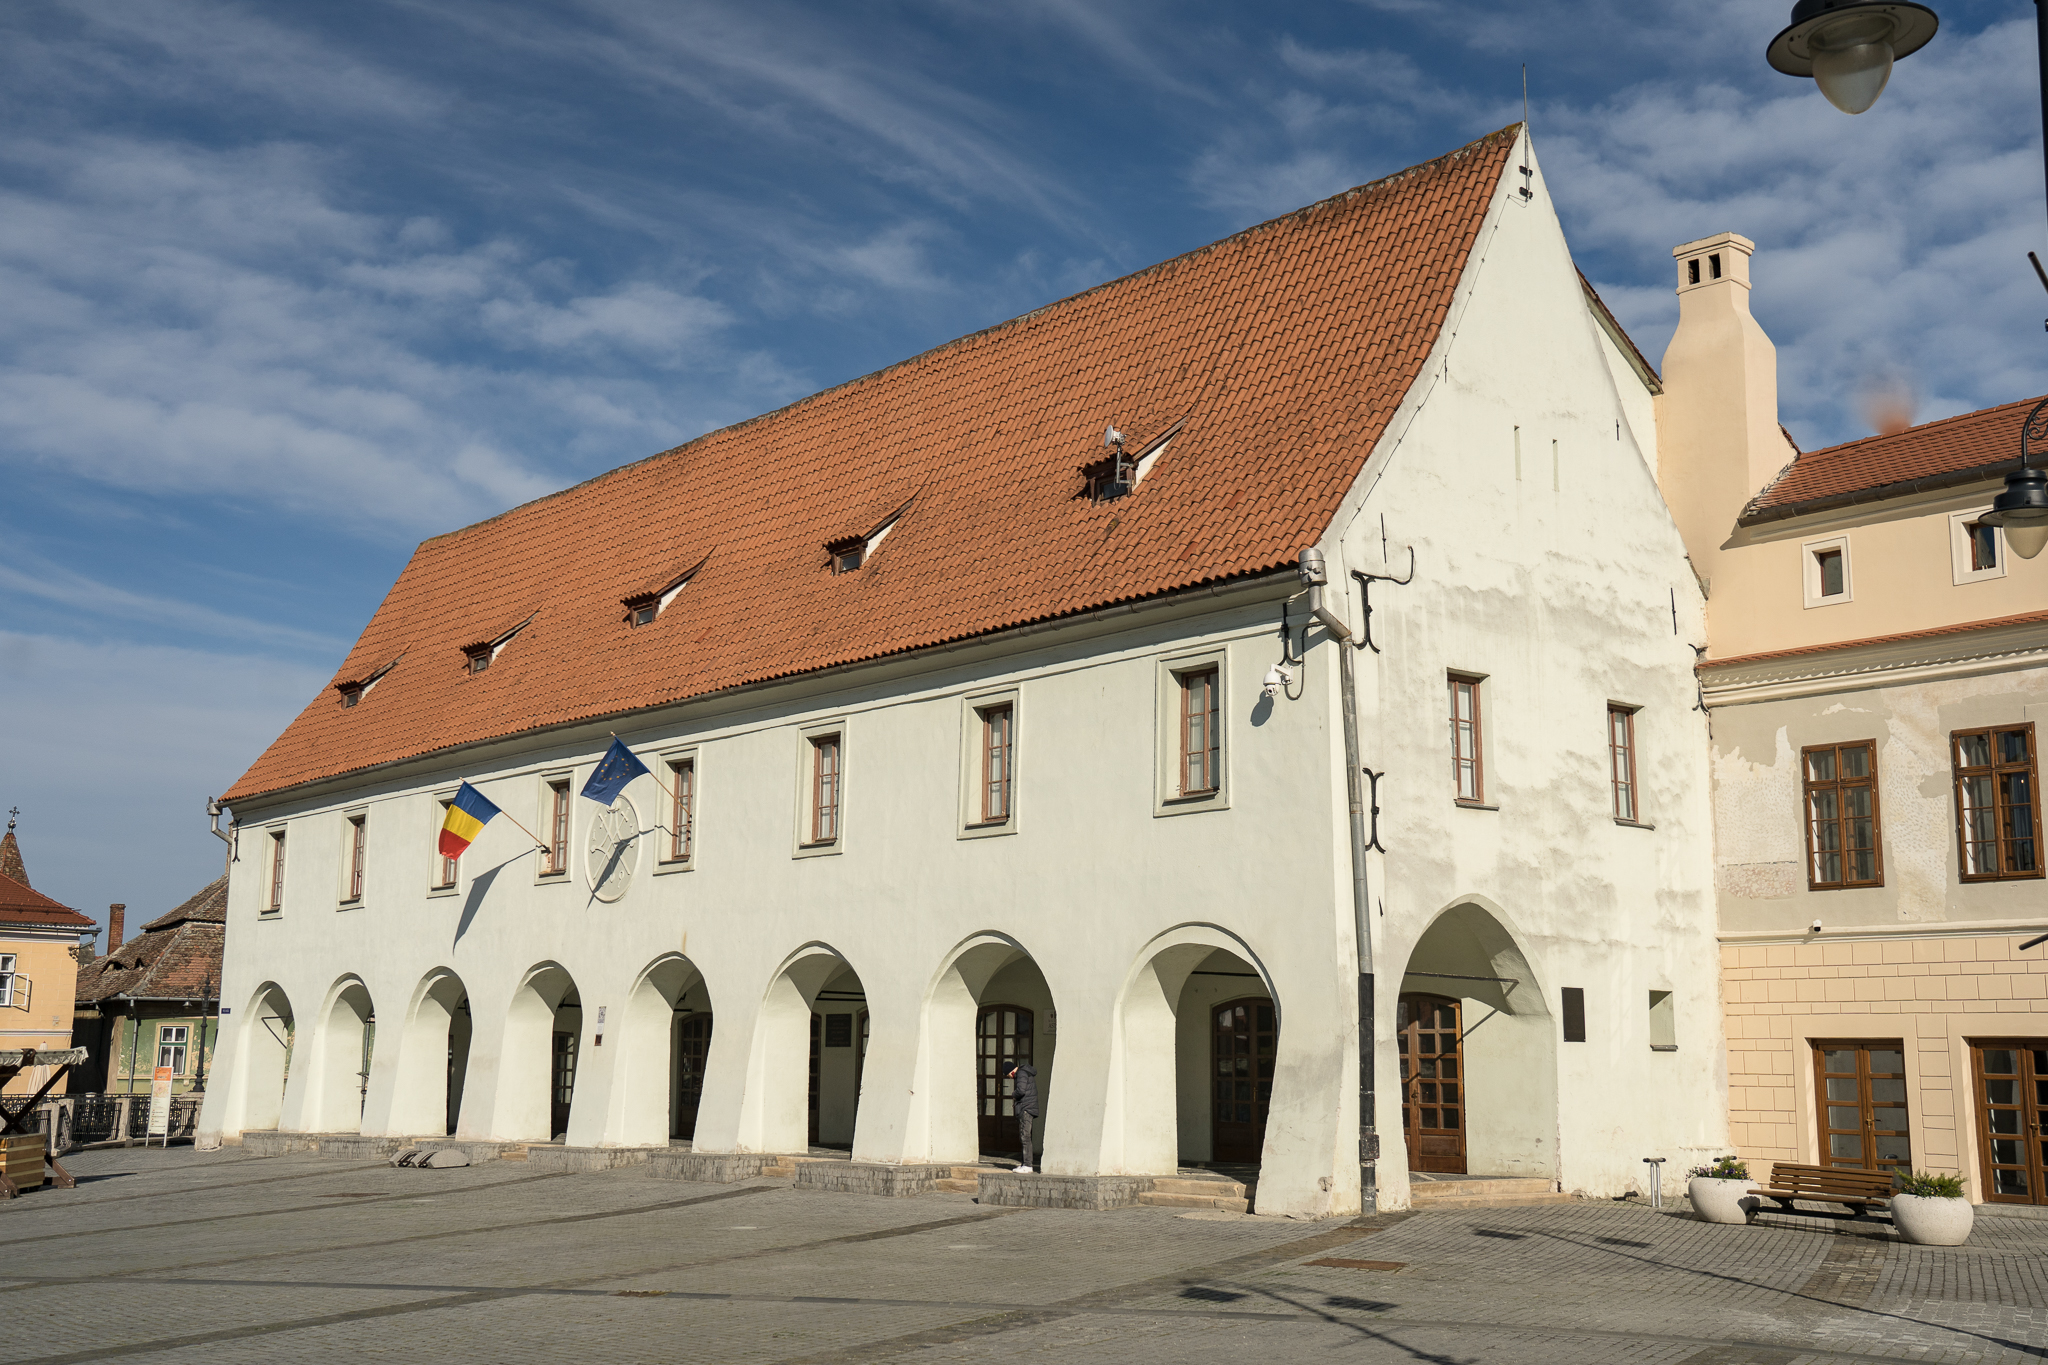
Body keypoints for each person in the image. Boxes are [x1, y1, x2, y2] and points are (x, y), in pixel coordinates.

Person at [1004, 1058, 1039, 1172]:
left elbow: (1021, 1090)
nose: (1010, 1078)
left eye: (1008, 1075)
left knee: (1025, 1136)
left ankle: (1027, 1165)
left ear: (1010, 1071)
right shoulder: (1024, 1072)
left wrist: (1013, 1094)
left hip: (1026, 1108)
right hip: (1027, 1107)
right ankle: (1024, 1163)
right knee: (1024, 1136)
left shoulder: (1021, 1073)